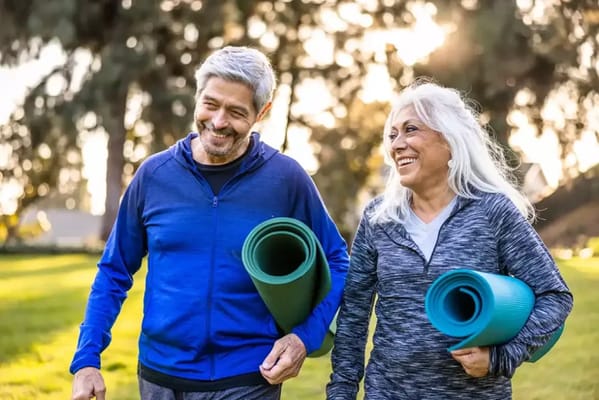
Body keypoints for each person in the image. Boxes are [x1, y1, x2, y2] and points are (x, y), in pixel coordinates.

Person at [70, 46, 349, 400]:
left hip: (248, 378)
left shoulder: (286, 178)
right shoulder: (153, 176)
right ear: (197, 97)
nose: (218, 122)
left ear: (261, 113)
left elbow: (339, 261)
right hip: (159, 377)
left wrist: (303, 338)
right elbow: (114, 271)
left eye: (236, 112)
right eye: (211, 104)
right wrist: (86, 359)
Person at [326, 79, 573, 399]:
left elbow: (554, 296)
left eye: (411, 129)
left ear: (450, 140)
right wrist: (341, 394)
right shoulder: (378, 219)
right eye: (392, 134)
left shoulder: (492, 211)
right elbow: (353, 319)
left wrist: (502, 356)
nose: (396, 144)